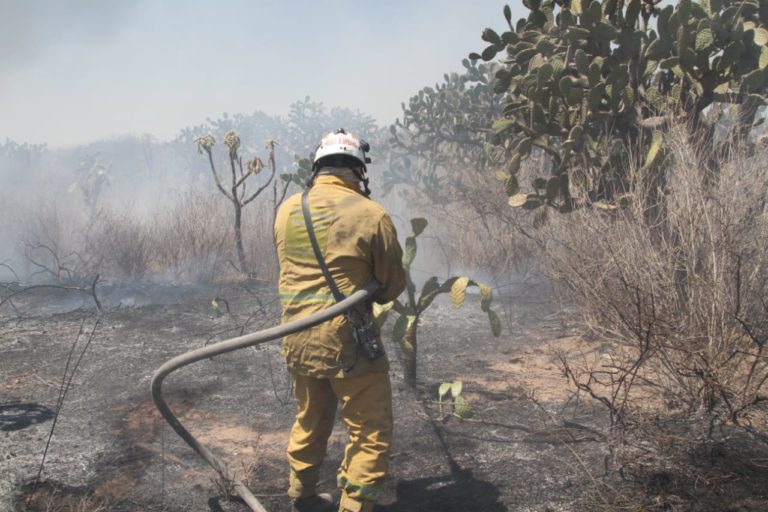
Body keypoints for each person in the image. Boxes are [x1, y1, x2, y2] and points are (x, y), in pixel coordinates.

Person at [273, 129, 406, 512]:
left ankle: (302, 495)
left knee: (310, 418)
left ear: (317, 169)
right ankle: (354, 507)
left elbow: (292, 270)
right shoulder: (371, 214)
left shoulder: (286, 211)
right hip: (348, 344)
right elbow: (391, 286)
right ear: (359, 172)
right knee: (369, 429)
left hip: (297, 337)